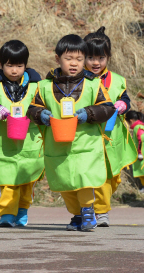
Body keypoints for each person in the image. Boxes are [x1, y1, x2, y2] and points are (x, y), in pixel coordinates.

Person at [27, 34, 115, 231]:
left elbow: (108, 108)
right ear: (58, 59)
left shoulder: (94, 84)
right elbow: (31, 109)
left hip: (86, 145)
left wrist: (89, 113)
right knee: (64, 183)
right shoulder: (44, 86)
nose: (74, 64)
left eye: (79, 59)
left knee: (85, 179)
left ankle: (87, 211)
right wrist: (41, 115)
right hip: (58, 146)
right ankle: (76, 214)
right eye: (69, 59)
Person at [0, 40, 44, 227]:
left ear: (26, 65)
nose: (15, 70)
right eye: (9, 65)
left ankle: (23, 211)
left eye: (19, 65)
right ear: (2, 65)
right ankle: (7, 214)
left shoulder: (36, 86)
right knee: (8, 181)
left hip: (30, 144)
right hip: (3, 144)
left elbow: (42, 105)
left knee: (26, 182)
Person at [84, 27, 137, 227]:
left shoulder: (116, 80)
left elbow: (124, 97)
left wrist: (124, 104)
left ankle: (99, 207)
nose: (96, 62)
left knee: (111, 177)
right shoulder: (77, 79)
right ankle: (99, 211)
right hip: (86, 135)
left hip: (111, 136)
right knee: (92, 174)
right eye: (90, 57)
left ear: (109, 57)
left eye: (101, 57)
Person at [126, 111, 144, 190]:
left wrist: (140, 153)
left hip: (142, 156)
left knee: (142, 173)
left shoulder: (138, 127)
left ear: (131, 121)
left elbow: (141, 139)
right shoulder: (140, 126)